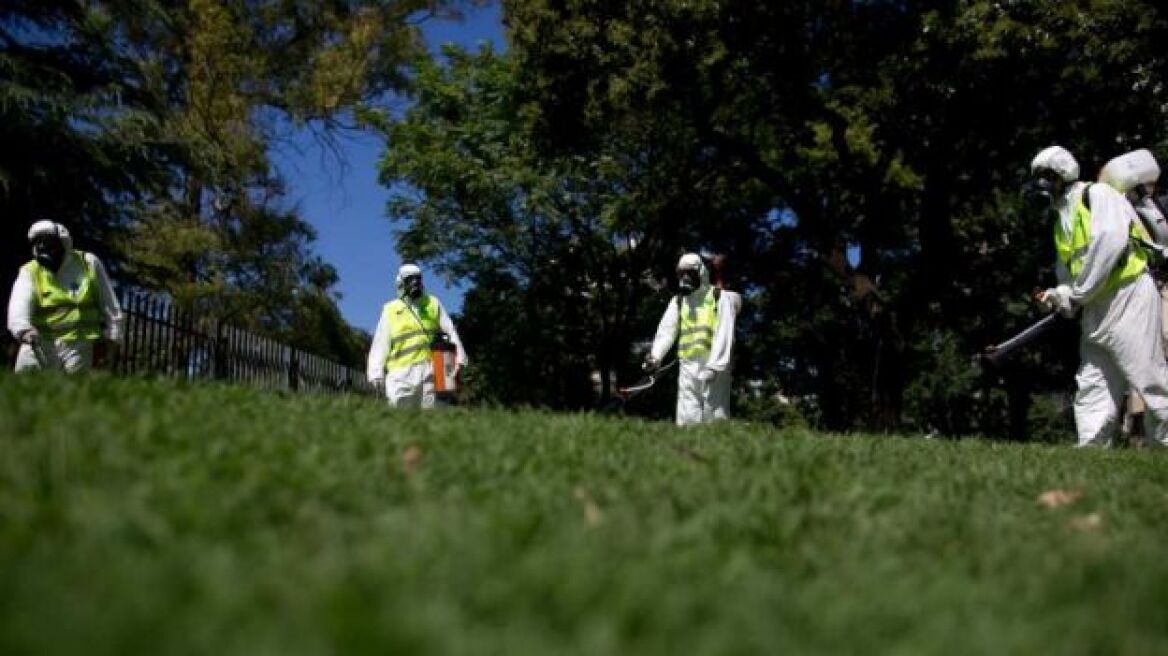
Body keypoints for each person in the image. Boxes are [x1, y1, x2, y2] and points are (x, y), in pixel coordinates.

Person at [1029, 145, 1168, 447]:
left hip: (1127, 296)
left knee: (1149, 377)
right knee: (1093, 382)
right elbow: (1068, 273)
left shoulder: (1098, 195)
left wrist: (1077, 293)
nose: (1043, 184)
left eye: (1048, 176)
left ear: (1064, 173)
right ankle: (1092, 448)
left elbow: (1110, 242)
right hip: (1095, 307)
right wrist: (1060, 295)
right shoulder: (1060, 221)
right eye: (1038, 177)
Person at [6, 220, 124, 373]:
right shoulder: (30, 271)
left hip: (80, 346)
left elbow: (110, 306)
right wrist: (23, 330)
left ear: (63, 243)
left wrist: (113, 339)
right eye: (38, 242)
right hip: (38, 343)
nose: (43, 247)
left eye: (48, 242)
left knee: (72, 394)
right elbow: (19, 305)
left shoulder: (87, 263)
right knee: (25, 391)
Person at [644, 252, 740, 426]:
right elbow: (666, 331)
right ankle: (687, 449)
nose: (685, 277)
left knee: (715, 411)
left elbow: (724, 332)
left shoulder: (719, 297)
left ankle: (717, 450)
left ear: (701, 273)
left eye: (690, 273)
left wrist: (715, 365)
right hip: (688, 364)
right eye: (682, 273)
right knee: (687, 414)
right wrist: (655, 357)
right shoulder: (679, 302)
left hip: (714, 366)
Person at [367, 263, 467, 409]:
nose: (415, 283)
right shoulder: (391, 309)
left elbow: (450, 331)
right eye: (409, 279)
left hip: (430, 371)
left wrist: (460, 358)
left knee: (431, 416)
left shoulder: (432, 303)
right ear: (401, 282)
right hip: (400, 374)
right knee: (400, 417)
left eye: (417, 278)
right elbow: (381, 343)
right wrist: (376, 373)